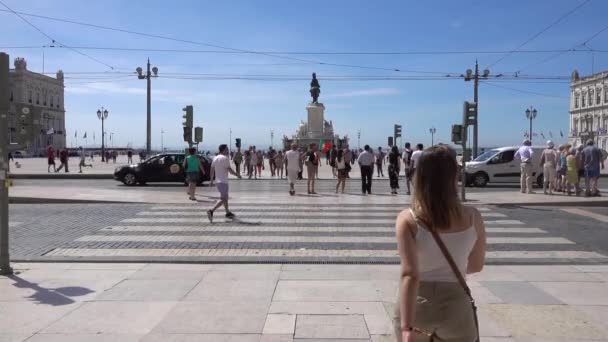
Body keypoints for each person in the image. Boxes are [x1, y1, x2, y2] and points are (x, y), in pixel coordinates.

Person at [393, 145, 486, 342]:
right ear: (454, 176)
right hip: (456, 309)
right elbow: (476, 265)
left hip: (417, 307)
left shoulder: (408, 219)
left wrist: (407, 327)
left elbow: (410, 274)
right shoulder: (473, 217)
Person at [207, 144, 241, 222]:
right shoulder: (225, 158)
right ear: (223, 150)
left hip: (218, 181)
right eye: (227, 149)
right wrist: (237, 175)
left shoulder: (215, 158)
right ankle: (211, 211)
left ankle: (227, 212)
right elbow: (230, 170)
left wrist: (211, 180)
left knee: (225, 197)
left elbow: (212, 170)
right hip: (223, 182)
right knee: (224, 198)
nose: (228, 150)